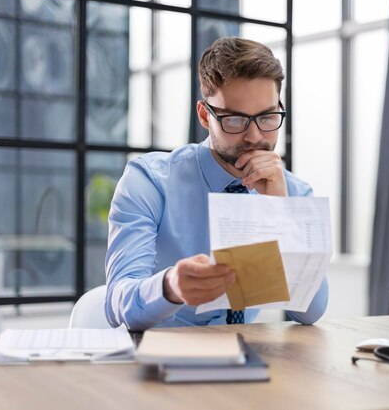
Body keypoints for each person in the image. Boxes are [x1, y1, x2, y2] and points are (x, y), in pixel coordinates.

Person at [105, 37, 329, 331]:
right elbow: (116, 303)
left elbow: (310, 313)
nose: (254, 136)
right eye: (235, 120)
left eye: (267, 117)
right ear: (204, 115)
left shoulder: (291, 190)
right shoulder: (150, 181)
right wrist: (169, 287)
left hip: (248, 356)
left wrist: (280, 208)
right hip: (165, 357)